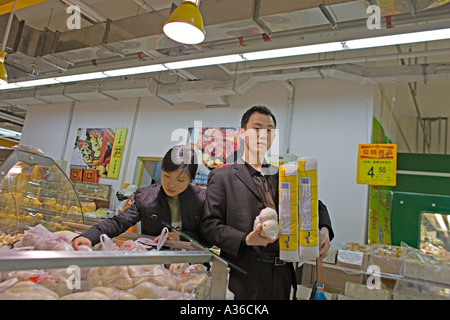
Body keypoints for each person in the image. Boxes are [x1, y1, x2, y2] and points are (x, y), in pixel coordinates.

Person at [200, 105, 334, 300]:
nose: (263, 134)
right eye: (257, 128)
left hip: (283, 276)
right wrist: (246, 238)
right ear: (242, 133)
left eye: (269, 130)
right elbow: (209, 225)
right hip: (243, 279)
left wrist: (324, 229)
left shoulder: (283, 175)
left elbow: (313, 204)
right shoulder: (223, 176)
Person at [72, 145, 205, 249]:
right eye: (167, 176)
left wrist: (182, 237)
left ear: (191, 179)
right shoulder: (146, 197)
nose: (171, 184)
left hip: (192, 264)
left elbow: (208, 239)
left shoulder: (202, 200)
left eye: (180, 180)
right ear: (161, 170)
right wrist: (89, 236)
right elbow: (119, 222)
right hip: (156, 264)